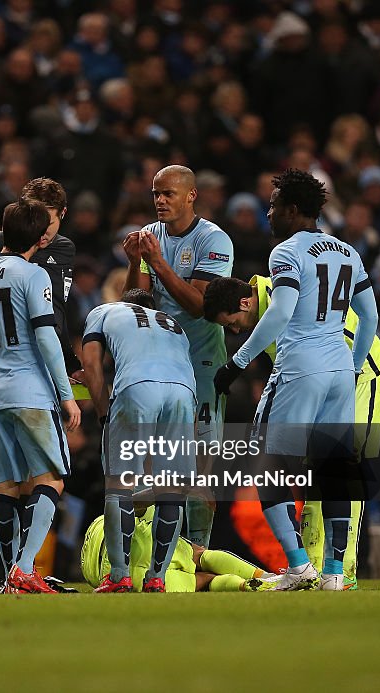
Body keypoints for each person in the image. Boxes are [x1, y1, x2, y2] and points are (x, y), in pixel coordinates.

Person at [211, 169, 378, 591]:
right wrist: (352, 366)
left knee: (266, 470)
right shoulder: (347, 251)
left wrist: (238, 362)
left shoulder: (286, 252)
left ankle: (300, 565)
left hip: (300, 368)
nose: (268, 213)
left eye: (272, 205)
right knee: (335, 469)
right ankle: (335, 574)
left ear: (290, 209)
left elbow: (282, 312)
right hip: (340, 370)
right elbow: (371, 318)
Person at [203, 274, 380, 589]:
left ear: (244, 302)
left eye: (232, 322)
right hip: (330, 378)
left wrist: (236, 369)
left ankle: (342, 571)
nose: (235, 330)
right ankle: (315, 567)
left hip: (364, 373)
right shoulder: (271, 302)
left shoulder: (282, 298)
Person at [0, 198, 81, 594]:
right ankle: (24, 569)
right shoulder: (33, 275)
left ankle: (2, 577)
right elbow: (46, 337)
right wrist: (67, 394)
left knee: (5, 483)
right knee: (53, 477)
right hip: (31, 390)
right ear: (38, 235)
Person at [123, 165, 234, 549]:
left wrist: (157, 263)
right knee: (160, 463)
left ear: (191, 196)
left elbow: (203, 305)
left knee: (202, 466)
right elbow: (137, 303)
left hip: (202, 362)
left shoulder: (214, 240)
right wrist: (135, 262)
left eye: (168, 193)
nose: (159, 201)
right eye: (155, 193)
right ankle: (166, 556)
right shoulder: (150, 236)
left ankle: (199, 548)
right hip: (161, 363)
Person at [81, 288, 197, 593]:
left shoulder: (104, 311)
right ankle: (157, 578)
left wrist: (104, 413)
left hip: (137, 387)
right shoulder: (173, 322)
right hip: (184, 392)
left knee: (119, 486)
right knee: (173, 489)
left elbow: (92, 365)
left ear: (123, 302)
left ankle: (120, 575)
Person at [81, 505, 272, 593]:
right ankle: (266, 578)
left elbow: (124, 506)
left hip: (109, 571)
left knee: (205, 581)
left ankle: (241, 585)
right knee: (202, 556)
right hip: (139, 542)